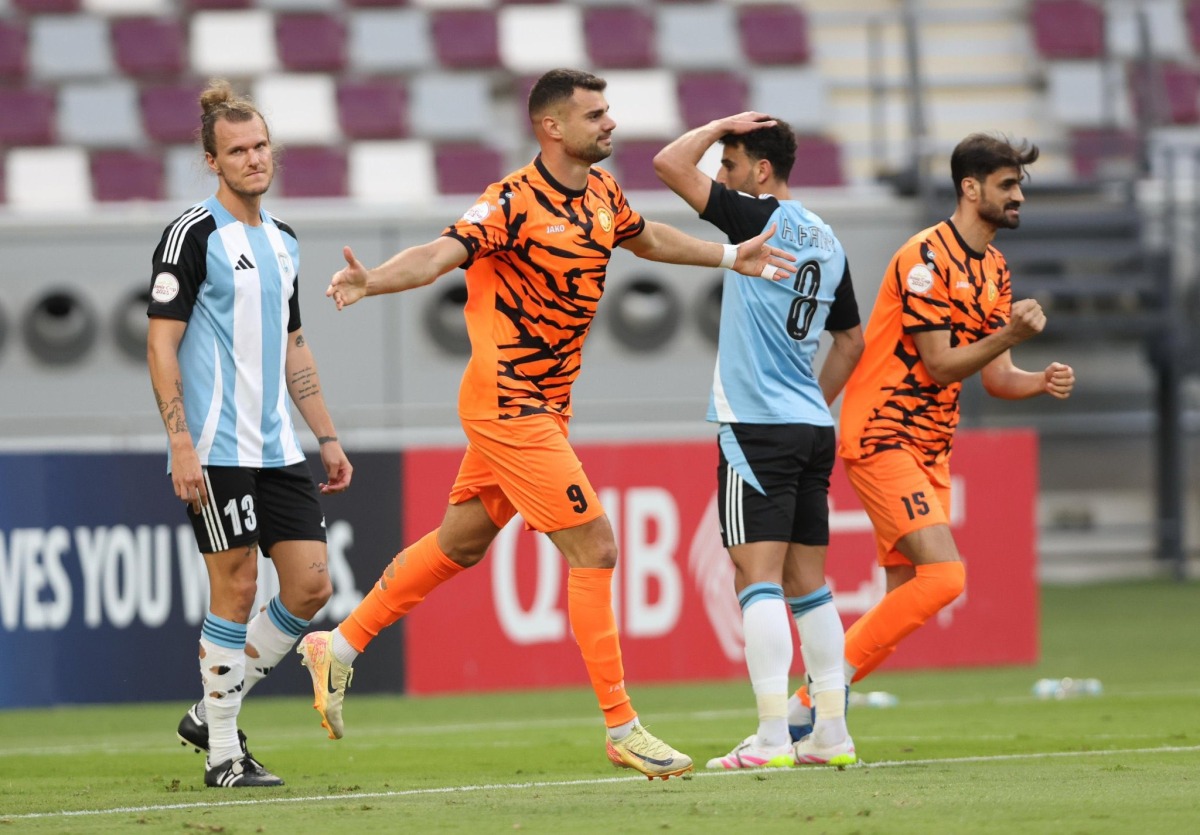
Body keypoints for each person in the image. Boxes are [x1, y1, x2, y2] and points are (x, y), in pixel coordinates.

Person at [295, 68, 796, 781]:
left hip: (547, 405)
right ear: (552, 127)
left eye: (609, 110)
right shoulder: (510, 201)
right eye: (595, 114)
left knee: (460, 543)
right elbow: (439, 253)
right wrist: (373, 279)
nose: (610, 123)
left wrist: (728, 256)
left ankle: (338, 645)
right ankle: (621, 726)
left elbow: (647, 237)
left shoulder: (602, 193)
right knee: (596, 546)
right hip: (508, 403)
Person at [784, 133, 1076, 736]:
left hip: (931, 448)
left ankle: (813, 716)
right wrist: (1011, 335)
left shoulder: (995, 268)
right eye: (1007, 185)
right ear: (970, 188)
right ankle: (813, 702)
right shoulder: (924, 259)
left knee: (907, 595)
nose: (1019, 196)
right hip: (883, 432)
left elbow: (995, 377)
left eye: (1019, 185)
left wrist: (1038, 380)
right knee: (946, 577)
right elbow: (941, 364)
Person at [146, 79, 353, 788]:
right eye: (237, 151)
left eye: (261, 146)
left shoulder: (285, 241)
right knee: (235, 587)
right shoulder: (192, 234)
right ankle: (224, 753)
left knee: (311, 585)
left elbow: (294, 343)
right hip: (215, 446)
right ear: (212, 161)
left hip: (278, 446)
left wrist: (326, 435)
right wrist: (180, 442)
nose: (253, 158)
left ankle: (209, 710)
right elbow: (160, 344)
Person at [653, 113, 865, 768]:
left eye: (731, 163)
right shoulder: (828, 238)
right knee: (811, 585)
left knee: (757, 577)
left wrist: (718, 124)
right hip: (811, 426)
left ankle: (773, 737)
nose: (722, 175)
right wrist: (810, 403)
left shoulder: (755, 218)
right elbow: (851, 341)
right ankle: (831, 734)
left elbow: (668, 164)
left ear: (761, 171)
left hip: (756, 425)